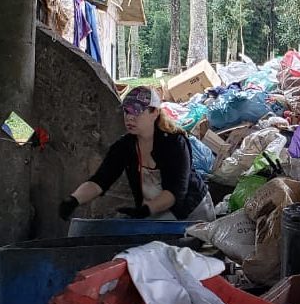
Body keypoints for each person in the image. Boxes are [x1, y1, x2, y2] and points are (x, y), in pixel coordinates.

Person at [57, 86, 215, 222]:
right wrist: (73, 200)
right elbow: (100, 181)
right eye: (126, 111)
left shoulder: (175, 143)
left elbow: (175, 193)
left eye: (137, 111)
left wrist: (146, 210)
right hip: (155, 212)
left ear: (154, 113)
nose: (129, 117)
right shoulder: (124, 146)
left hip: (191, 213)